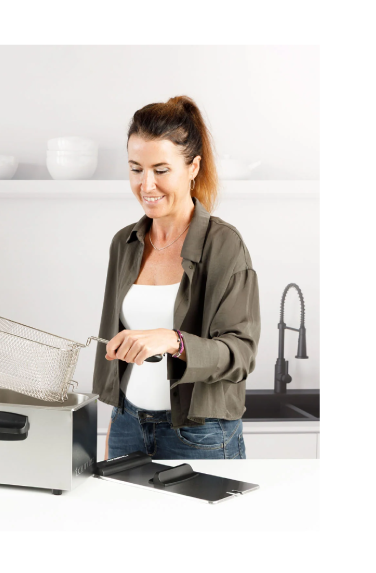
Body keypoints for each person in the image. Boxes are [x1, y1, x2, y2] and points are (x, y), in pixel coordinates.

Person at [92, 95, 261, 460]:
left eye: (161, 170)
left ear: (193, 167)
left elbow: (241, 354)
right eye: (136, 169)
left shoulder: (224, 245)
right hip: (127, 425)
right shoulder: (124, 243)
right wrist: (115, 428)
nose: (146, 185)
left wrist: (174, 341)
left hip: (201, 433)